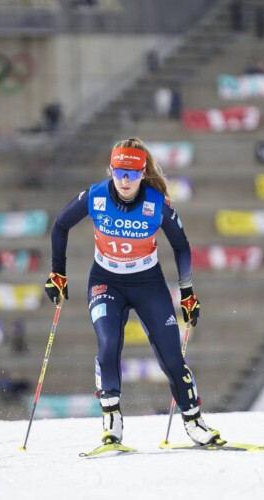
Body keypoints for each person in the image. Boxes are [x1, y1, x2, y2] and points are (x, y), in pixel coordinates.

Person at [44, 137, 219, 447]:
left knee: (172, 356)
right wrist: (58, 273)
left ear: (143, 173)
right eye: (119, 172)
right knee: (108, 342)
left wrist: (187, 293)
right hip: (106, 281)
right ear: (111, 170)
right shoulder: (96, 196)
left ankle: (194, 422)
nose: (125, 180)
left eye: (133, 173)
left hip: (147, 283)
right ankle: (112, 420)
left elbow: (181, 245)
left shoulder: (157, 204)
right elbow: (60, 225)